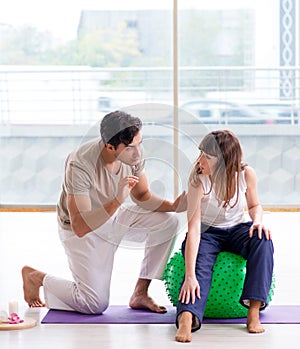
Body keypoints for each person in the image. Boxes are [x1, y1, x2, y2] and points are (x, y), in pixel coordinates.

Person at [22, 110, 186, 314]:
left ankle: (140, 293)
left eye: (139, 144)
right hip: (81, 231)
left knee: (168, 222)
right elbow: (80, 226)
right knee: (93, 304)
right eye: (130, 148)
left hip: (113, 218)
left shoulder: (134, 156)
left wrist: (173, 206)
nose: (138, 153)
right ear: (110, 146)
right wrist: (117, 199)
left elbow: (142, 195)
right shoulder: (80, 163)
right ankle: (36, 277)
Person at [175, 130, 274, 343]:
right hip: (207, 232)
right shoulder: (198, 180)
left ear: (224, 161)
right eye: (200, 153)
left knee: (263, 240)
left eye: (207, 157)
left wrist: (257, 221)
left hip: (238, 229)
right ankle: (187, 317)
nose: (200, 160)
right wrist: (190, 275)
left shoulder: (246, 174)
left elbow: (255, 205)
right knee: (199, 265)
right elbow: (193, 229)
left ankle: (253, 311)